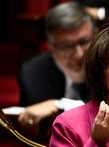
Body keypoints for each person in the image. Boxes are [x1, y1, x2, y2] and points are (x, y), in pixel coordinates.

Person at [18, 2, 95, 136]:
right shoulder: (32, 74)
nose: (79, 54)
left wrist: (59, 105)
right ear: (51, 47)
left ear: (96, 35)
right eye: (66, 46)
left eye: (84, 42)